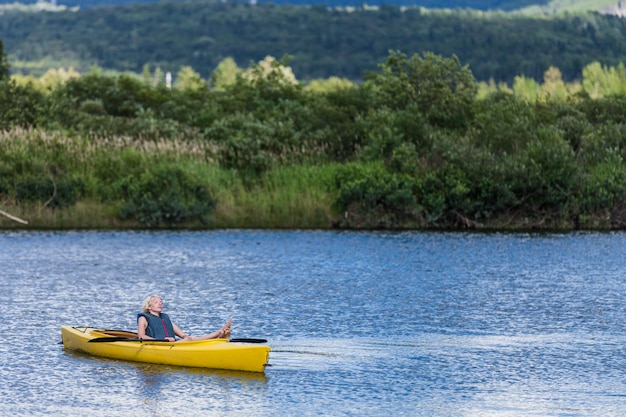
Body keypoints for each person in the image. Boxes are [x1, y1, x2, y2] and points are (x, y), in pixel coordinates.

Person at [137, 294, 232, 342]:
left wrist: (187, 339)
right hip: (158, 345)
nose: (160, 304)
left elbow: (183, 336)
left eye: (161, 302)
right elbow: (141, 336)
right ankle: (218, 334)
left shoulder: (165, 319)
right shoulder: (143, 318)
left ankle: (218, 337)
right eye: (156, 302)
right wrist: (161, 341)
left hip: (171, 344)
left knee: (190, 338)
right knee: (189, 339)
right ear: (149, 307)